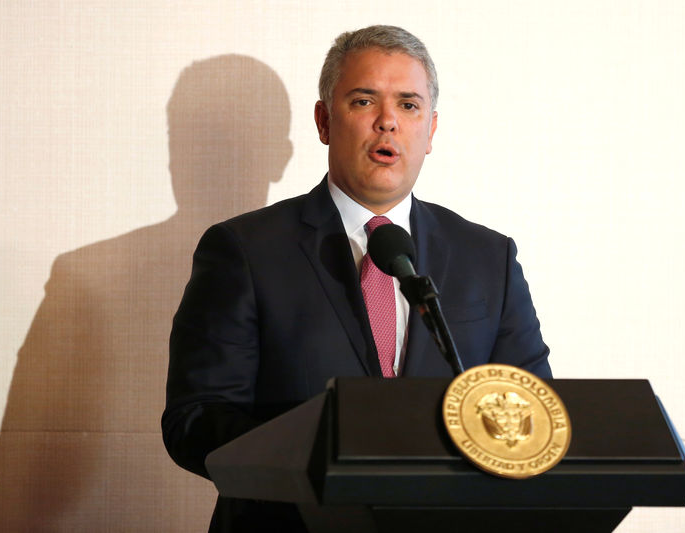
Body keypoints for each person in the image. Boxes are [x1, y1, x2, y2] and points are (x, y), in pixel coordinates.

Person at [162, 25, 551, 532]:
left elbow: (530, 407)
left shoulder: (487, 257)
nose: (388, 121)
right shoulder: (244, 250)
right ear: (324, 121)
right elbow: (195, 419)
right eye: (364, 101)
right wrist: (323, 449)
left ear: (431, 130)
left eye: (409, 105)